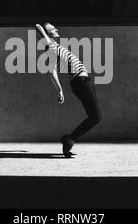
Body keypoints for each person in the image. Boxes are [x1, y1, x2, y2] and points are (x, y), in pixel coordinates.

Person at [36, 23, 102, 157]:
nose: (57, 29)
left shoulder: (52, 51)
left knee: (95, 117)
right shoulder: (51, 46)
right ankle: (69, 139)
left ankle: (69, 139)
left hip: (81, 82)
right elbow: (41, 31)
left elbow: (52, 72)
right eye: (53, 28)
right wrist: (41, 29)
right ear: (47, 34)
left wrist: (60, 90)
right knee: (96, 117)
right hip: (81, 82)